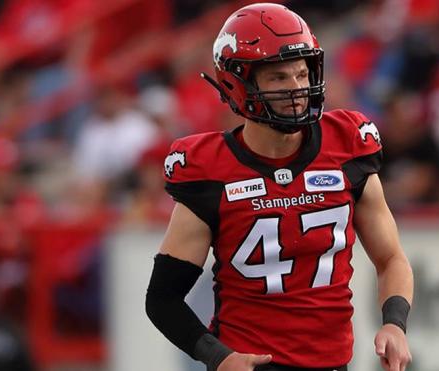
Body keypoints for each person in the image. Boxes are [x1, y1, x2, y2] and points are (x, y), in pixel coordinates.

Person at [145, 3, 414, 371]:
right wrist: (217, 356)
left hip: (333, 364)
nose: (297, 89)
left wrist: (394, 324)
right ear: (237, 84)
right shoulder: (211, 171)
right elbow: (163, 298)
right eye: (278, 78)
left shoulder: (347, 145)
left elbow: (391, 258)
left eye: (302, 74)